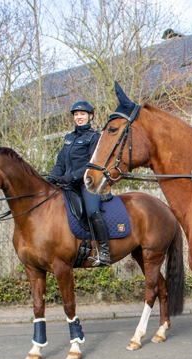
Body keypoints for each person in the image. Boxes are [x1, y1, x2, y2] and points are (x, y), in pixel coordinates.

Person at [47, 99, 110, 266]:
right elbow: (60, 161)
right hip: (67, 183)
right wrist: (53, 177)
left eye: (82, 114)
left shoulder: (94, 137)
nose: (79, 117)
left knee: (92, 210)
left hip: (87, 183)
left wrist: (72, 176)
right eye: (76, 114)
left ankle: (104, 250)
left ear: (90, 116)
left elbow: (91, 163)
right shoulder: (68, 138)